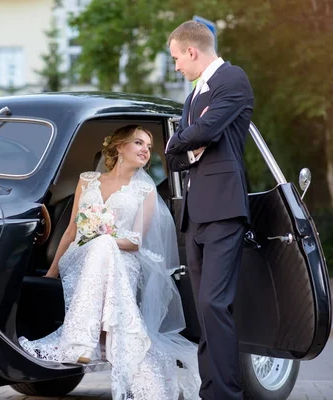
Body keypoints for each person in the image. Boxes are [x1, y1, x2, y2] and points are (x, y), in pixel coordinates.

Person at [19, 125, 201, 400]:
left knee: (104, 245)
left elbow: (136, 242)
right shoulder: (87, 180)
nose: (145, 151)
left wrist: (102, 236)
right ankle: (102, 340)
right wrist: (53, 271)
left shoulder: (145, 191)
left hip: (123, 259)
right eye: (138, 143)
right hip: (79, 257)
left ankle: (84, 342)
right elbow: (70, 231)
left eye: (148, 147)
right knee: (99, 246)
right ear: (120, 147)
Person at [164, 21, 254, 400]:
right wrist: (185, 143)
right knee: (204, 310)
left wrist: (184, 140)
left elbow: (203, 133)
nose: (176, 68)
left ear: (192, 51)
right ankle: (210, 391)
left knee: (214, 304)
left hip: (223, 207)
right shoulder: (191, 98)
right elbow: (174, 156)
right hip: (195, 213)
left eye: (175, 59)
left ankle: (226, 394)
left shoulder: (232, 79)